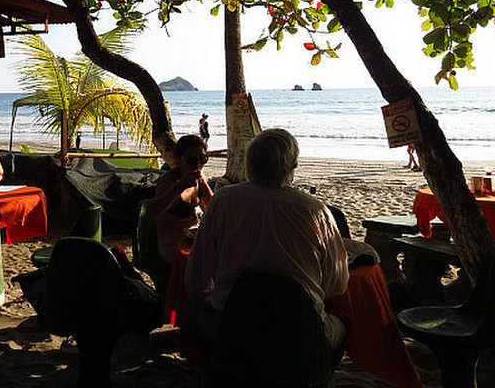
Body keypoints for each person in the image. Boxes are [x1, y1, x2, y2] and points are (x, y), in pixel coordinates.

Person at [185, 128, 349, 348]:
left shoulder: (223, 201)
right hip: (299, 329)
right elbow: (337, 283)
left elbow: (197, 272)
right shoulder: (315, 210)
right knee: (346, 324)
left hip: (234, 327)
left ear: (249, 163)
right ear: (293, 166)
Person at [146, 135, 213, 265]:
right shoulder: (169, 182)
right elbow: (150, 213)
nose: (198, 164)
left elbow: (212, 203)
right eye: (192, 160)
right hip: (171, 242)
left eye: (203, 159)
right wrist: (180, 187)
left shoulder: (198, 176)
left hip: (192, 237)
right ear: (180, 159)